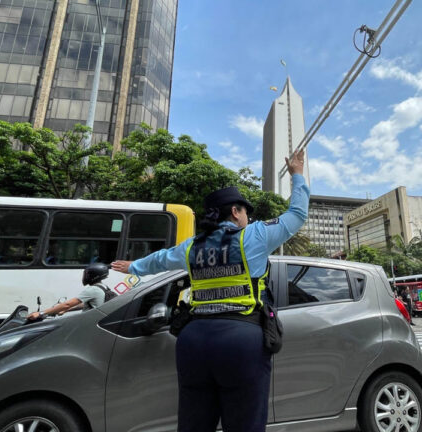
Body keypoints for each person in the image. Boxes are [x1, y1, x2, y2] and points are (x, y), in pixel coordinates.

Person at [111, 150, 309, 432]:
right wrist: (297, 173)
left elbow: (160, 260)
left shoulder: (192, 246)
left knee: (194, 423)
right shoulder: (254, 235)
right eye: (245, 212)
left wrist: (133, 267)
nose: (247, 218)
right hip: (241, 340)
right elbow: (298, 214)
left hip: (193, 342)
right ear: (234, 211)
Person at [27, 263, 113, 320]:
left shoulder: (93, 289)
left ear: (94, 276)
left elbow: (67, 304)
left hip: (89, 324)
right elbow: (85, 304)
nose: (85, 276)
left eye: (87, 274)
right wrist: (67, 310)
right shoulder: (103, 287)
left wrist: (41, 313)